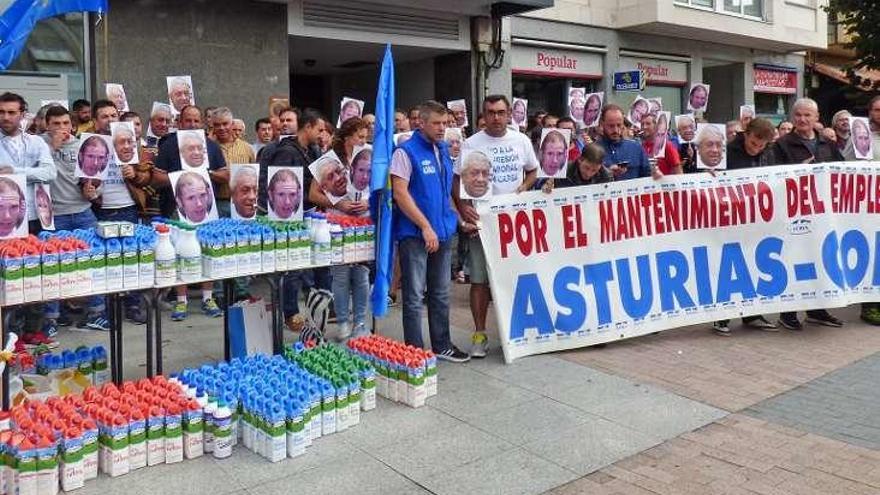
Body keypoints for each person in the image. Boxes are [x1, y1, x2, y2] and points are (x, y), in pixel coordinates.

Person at [457, 95, 538, 358]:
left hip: (514, 223)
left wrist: (523, 188)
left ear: (509, 115)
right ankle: (480, 334)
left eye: (501, 112)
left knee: (515, 279)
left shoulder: (521, 140)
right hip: (482, 223)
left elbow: (533, 171)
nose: (496, 117)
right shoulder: (471, 144)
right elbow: (457, 183)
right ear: (483, 114)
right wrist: (463, 208)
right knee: (479, 281)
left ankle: (516, 333)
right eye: (491, 112)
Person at [392, 100, 472, 362]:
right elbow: (400, 194)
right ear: (421, 122)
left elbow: (446, 191)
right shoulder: (405, 152)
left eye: (445, 123)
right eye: (436, 123)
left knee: (440, 292)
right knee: (414, 296)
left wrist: (459, 220)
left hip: (444, 231)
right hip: (415, 235)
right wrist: (425, 226)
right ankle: (415, 351)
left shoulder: (443, 150)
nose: (442, 128)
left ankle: (442, 344)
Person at [41, 105, 116, 332]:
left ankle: (96, 313)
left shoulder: (84, 144)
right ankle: (51, 319)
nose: (62, 128)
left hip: (83, 211)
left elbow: (94, 177)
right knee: (52, 266)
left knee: (94, 260)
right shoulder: (39, 145)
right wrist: (52, 149)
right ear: (47, 125)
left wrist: (93, 190)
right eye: (56, 124)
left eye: (66, 123)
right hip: (53, 216)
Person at [772, 97, 844, 330]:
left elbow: (842, 172)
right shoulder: (781, 144)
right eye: (798, 115)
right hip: (794, 214)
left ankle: (817, 310)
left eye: (807, 115)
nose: (802, 119)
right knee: (794, 261)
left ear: (817, 118)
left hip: (822, 215)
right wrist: (799, 171)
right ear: (793, 118)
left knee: (819, 259)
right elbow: (772, 178)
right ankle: (788, 312)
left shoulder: (827, 144)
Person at [154, 105, 227, 321]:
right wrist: (181, 178)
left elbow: (225, 175)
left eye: (197, 121)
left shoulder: (211, 147)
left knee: (206, 251)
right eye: (188, 121)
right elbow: (155, 179)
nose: (192, 125)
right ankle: (181, 300)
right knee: (179, 253)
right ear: (180, 122)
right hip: (176, 210)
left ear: (202, 123)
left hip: (205, 210)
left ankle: (207, 297)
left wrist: (206, 173)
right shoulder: (169, 146)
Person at [259, 108, 330, 326]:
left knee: (305, 266)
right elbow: (281, 185)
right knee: (293, 266)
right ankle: (290, 312)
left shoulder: (310, 150)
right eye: (319, 129)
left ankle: (315, 308)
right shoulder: (288, 152)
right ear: (307, 127)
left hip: (307, 213)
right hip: (289, 218)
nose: (321, 134)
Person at [710, 118, 778, 335]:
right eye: (754, 143)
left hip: (755, 218)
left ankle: (752, 314)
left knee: (754, 265)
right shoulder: (726, 152)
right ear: (746, 134)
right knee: (727, 267)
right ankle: (721, 316)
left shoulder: (767, 154)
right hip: (728, 217)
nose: (756, 148)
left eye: (761, 146)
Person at [0, 92, 58, 346]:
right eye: (1, 112)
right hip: (4, 219)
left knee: (35, 274)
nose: (5, 117)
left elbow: (50, 172)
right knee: (7, 277)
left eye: (11, 112)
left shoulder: (35, 143)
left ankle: (34, 329)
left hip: (34, 217)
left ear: (22, 114)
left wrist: (18, 172)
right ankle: (9, 333)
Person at [212, 107, 255, 217]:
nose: (221, 128)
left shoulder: (247, 148)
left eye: (225, 124)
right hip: (216, 203)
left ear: (232, 124)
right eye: (217, 125)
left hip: (243, 203)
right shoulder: (207, 148)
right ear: (212, 126)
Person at [595, 104, 653, 180]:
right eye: (611, 126)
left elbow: (648, 177)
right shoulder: (593, 150)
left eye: (619, 125)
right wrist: (606, 172)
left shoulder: (636, 148)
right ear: (602, 124)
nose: (615, 130)